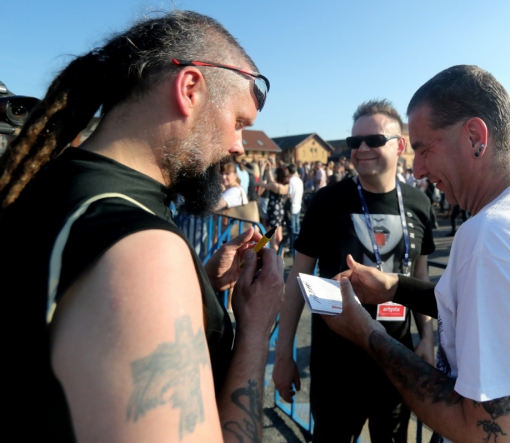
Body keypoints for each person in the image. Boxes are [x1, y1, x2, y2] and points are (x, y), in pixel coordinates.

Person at [0, 11, 285, 442]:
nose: (238, 146)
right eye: (239, 123)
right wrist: (255, 330)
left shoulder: (50, 183)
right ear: (190, 89)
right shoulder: (143, 253)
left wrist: (200, 286)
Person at [322, 65, 510, 443]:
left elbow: (485, 431)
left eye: (424, 149)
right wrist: (395, 287)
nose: (418, 170)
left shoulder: (495, 236)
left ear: (474, 137)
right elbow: (489, 309)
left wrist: (367, 333)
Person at [273, 99, 435, 443]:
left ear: (400, 146)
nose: (361, 149)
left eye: (374, 140)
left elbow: (420, 278)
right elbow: (297, 281)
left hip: (396, 362)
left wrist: (427, 338)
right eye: (354, 141)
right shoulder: (327, 201)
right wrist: (284, 354)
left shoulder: (419, 204)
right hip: (337, 367)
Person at [259, 164, 290, 252]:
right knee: (279, 237)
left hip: (273, 211)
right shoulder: (285, 186)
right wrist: (269, 170)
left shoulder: (275, 186)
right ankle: (281, 257)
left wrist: (261, 170)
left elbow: (261, 184)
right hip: (280, 211)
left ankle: (276, 256)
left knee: (272, 238)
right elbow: (273, 181)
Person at [287, 163, 304, 249]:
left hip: (292, 206)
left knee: (292, 229)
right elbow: (301, 194)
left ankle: (292, 248)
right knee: (297, 228)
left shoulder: (290, 181)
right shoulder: (299, 180)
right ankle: (297, 248)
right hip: (298, 205)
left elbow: (289, 194)